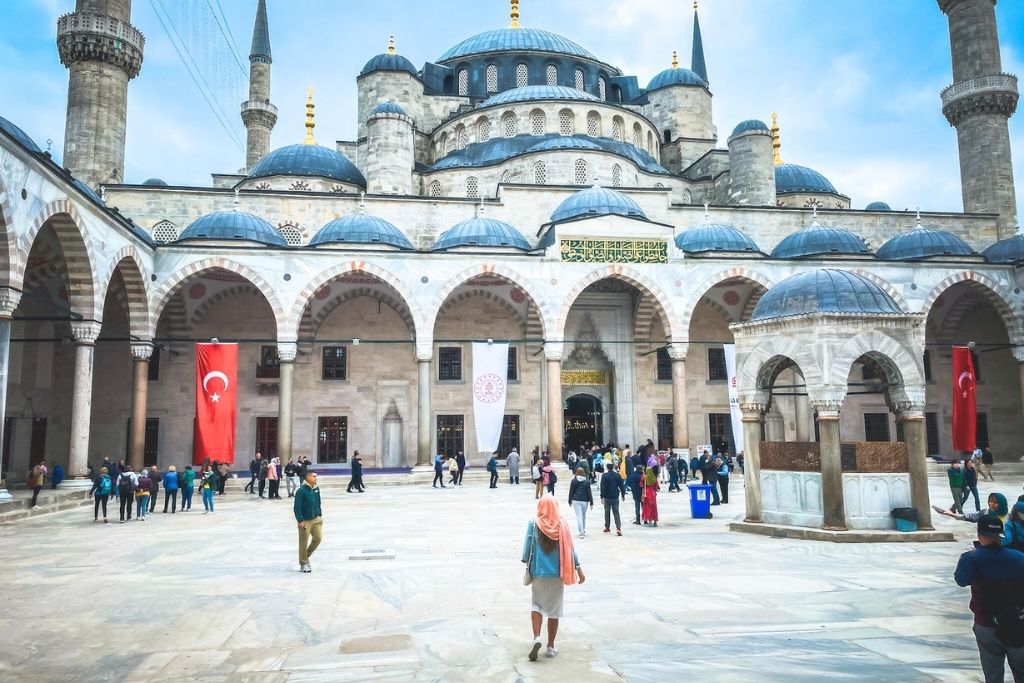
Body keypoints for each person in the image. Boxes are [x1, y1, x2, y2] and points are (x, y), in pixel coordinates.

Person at [954, 513, 1024, 682]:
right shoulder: (1020, 558)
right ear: (1001, 535)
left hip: (986, 623)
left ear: (980, 535)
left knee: (993, 673)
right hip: (1017, 624)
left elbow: (961, 580)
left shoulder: (971, 559)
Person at [521, 496, 585, 661]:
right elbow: (570, 548)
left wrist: (525, 559)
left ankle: (536, 637)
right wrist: (578, 568)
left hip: (538, 572)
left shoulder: (534, 523)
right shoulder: (562, 524)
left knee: (536, 605)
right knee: (554, 611)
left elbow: (528, 546)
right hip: (557, 573)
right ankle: (550, 646)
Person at [294, 470, 323, 573]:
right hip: (305, 520)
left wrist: (320, 514)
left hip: (316, 519)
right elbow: (297, 507)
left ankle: (305, 556)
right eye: (314, 476)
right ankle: (303, 563)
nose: (316, 478)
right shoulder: (301, 491)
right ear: (308, 477)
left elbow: (318, 502)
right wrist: (300, 520)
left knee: (318, 538)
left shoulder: (316, 489)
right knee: (303, 542)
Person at [935, 493, 1009, 525]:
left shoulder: (1008, 517)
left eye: (995, 502)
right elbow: (970, 517)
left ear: (1002, 503)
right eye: (990, 501)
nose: (992, 504)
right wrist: (952, 515)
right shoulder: (985, 513)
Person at [599, 462, 626, 536]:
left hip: (607, 496)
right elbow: (621, 485)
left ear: (607, 468)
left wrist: (602, 496)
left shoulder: (604, 476)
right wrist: (623, 495)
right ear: (613, 467)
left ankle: (607, 527)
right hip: (615, 496)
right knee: (616, 512)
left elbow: (602, 487)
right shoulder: (617, 475)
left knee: (607, 512)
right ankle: (618, 528)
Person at [567, 467, 593, 538]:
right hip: (585, 501)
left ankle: (581, 532)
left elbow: (571, 491)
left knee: (579, 516)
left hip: (576, 500)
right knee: (583, 516)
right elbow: (589, 493)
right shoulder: (587, 481)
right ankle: (583, 530)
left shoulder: (574, 481)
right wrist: (591, 502)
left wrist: (569, 500)